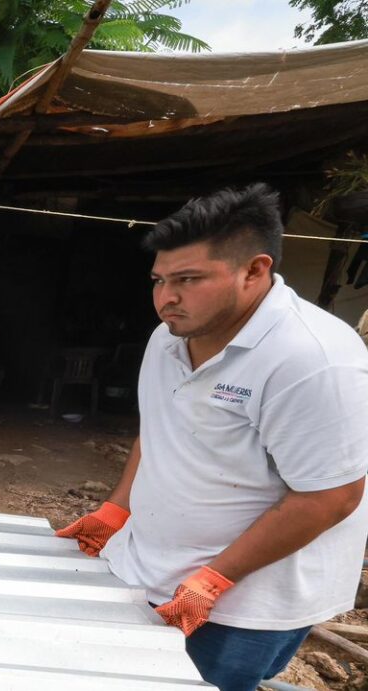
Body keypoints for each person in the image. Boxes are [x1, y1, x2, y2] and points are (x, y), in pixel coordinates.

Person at [57, 184, 368, 691]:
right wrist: (116, 510)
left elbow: (331, 495)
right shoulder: (168, 338)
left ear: (255, 270)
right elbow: (158, 430)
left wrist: (215, 578)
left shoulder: (312, 359)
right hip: (146, 567)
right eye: (158, 280)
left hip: (244, 602)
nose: (165, 299)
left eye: (188, 279)